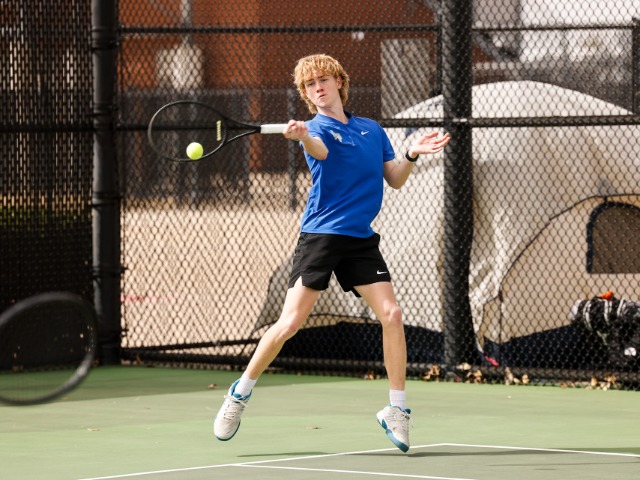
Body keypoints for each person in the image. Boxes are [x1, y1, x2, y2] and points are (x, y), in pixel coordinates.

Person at [213, 53, 450, 453]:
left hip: (359, 239)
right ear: (306, 94)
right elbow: (320, 150)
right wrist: (301, 136)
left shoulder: (372, 130)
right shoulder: (316, 129)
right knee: (290, 323)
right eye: (310, 84)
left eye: (323, 79)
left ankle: (396, 409)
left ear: (339, 82)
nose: (318, 87)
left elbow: (394, 179)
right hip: (321, 237)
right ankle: (239, 394)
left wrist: (411, 153)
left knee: (392, 315)